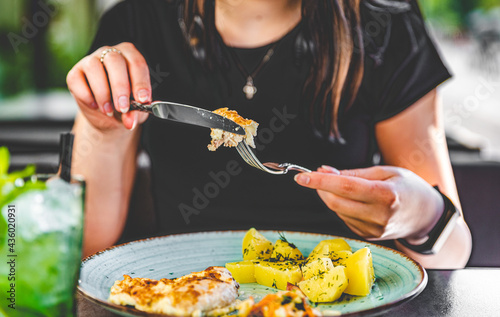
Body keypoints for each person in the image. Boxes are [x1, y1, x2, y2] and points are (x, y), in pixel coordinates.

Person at [67, 0, 472, 268]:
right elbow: (82, 246)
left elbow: (455, 249)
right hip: (179, 295)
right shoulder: (136, 21)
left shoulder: (386, 24)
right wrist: (101, 128)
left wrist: (421, 217)